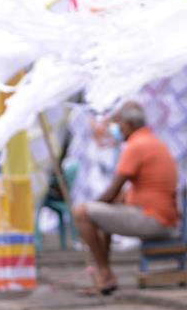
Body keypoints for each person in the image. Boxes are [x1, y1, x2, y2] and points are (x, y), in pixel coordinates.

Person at [72, 102, 179, 294]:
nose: (117, 130)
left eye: (118, 126)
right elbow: (120, 196)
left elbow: (112, 192)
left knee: (81, 212)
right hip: (162, 217)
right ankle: (105, 275)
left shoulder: (136, 145)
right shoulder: (151, 141)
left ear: (128, 124)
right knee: (103, 216)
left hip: (153, 219)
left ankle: (104, 274)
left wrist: (91, 208)